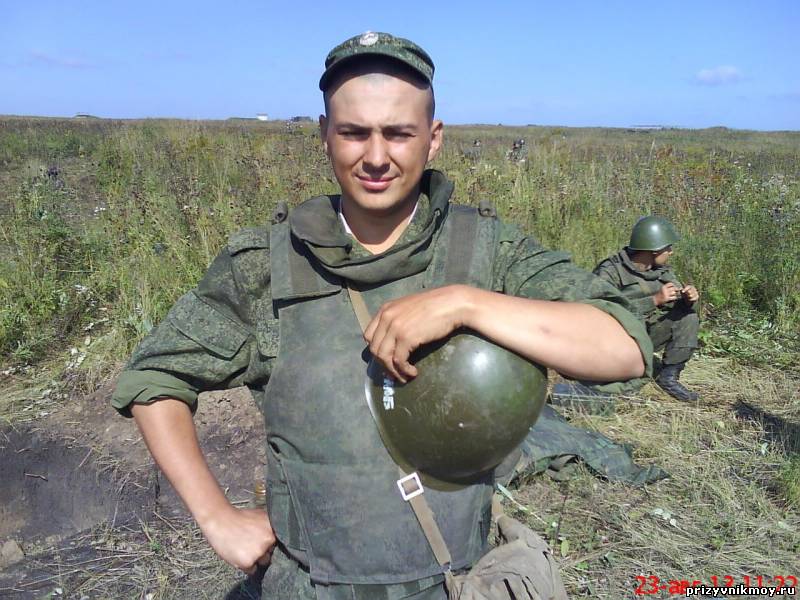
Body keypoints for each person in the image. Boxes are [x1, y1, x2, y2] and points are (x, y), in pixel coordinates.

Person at [111, 32, 653, 599]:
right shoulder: (267, 266)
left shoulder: (488, 253)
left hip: (452, 579)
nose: (375, 157)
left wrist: (465, 303)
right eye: (353, 132)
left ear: (433, 139)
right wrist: (216, 516)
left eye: (398, 133)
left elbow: (622, 347)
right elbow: (154, 379)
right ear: (325, 135)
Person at [554, 216, 700, 404]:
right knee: (623, 388)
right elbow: (597, 313)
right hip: (612, 341)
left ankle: (669, 377)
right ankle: (619, 372)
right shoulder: (611, 272)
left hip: (643, 334)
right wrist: (654, 300)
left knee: (688, 317)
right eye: (668, 248)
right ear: (654, 250)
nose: (671, 252)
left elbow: (677, 302)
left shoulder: (661, 271)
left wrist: (688, 299)